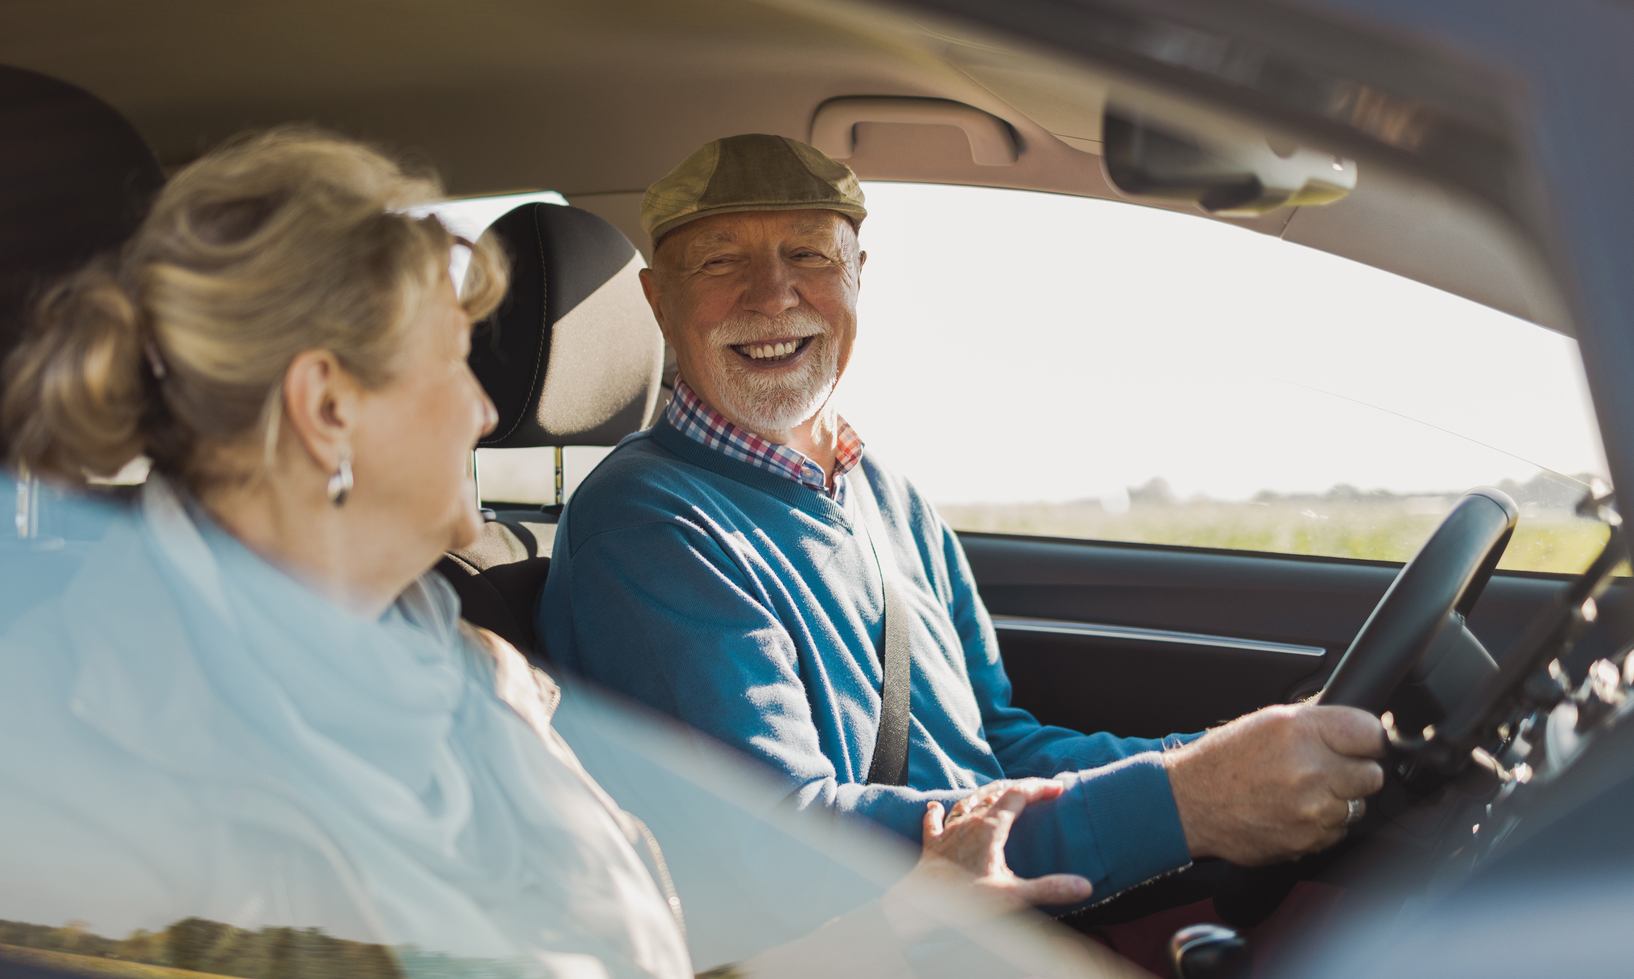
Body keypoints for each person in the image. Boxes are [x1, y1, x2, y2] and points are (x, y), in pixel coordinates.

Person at [0, 127, 1086, 979]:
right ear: (327, 408)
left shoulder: (481, 681)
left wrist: (901, 915)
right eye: (450, 365)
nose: (487, 411)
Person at [537, 133, 1387, 911]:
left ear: (858, 274)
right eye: (722, 261)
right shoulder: (647, 524)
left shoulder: (886, 495)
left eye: (808, 253)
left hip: (987, 932)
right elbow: (780, 839)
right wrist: (1188, 803)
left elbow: (996, 752)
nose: (773, 293)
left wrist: (1221, 760)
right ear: (657, 301)